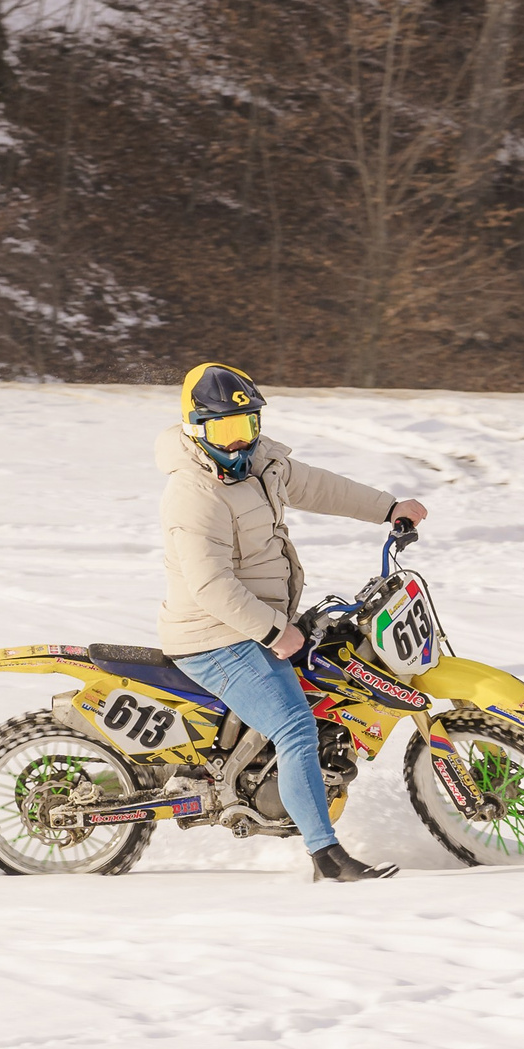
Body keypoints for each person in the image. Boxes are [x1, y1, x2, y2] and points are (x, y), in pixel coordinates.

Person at [156, 361, 429, 882]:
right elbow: (211, 587)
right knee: (295, 726)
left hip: (262, 620)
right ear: (197, 429)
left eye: (246, 428)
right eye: (224, 432)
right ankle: (325, 856)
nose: (237, 445)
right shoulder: (193, 494)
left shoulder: (263, 463)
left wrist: (388, 507)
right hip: (215, 636)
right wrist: (275, 631)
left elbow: (320, 488)